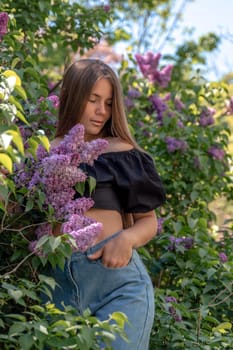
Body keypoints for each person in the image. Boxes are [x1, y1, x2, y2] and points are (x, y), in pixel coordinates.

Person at [47, 58, 166, 350]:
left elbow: (148, 220)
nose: (102, 111)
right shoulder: (42, 152)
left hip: (119, 286)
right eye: (93, 100)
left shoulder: (122, 153)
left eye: (109, 103)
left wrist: (126, 239)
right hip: (55, 290)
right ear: (74, 97)